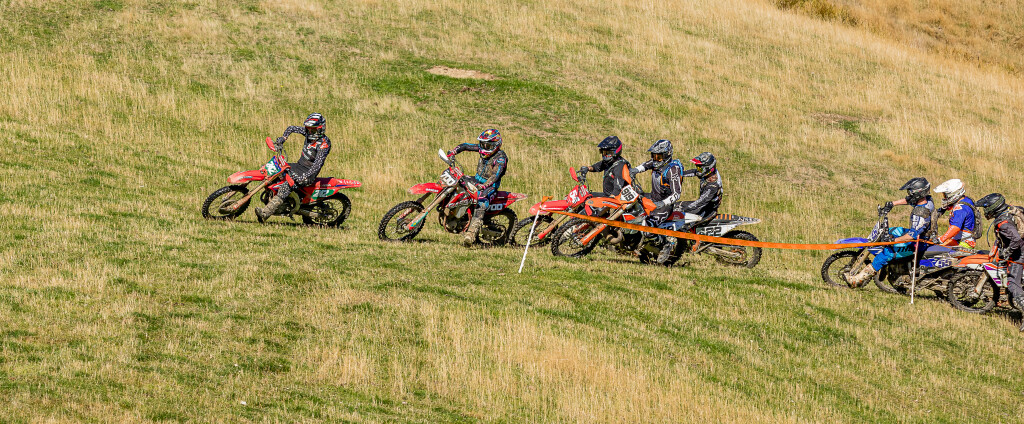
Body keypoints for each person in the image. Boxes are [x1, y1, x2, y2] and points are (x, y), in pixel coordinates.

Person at [844, 177, 935, 286]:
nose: (909, 195)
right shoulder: (927, 200)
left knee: (886, 253)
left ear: (918, 193)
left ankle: (857, 280)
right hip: (922, 235)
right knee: (891, 231)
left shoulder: (921, 213)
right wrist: (892, 203)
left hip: (918, 242)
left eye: (911, 193)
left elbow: (911, 236)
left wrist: (893, 240)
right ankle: (889, 266)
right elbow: (910, 200)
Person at [256, 113, 331, 220]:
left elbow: (317, 165)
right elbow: (291, 128)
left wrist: (304, 177)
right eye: (308, 129)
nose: (309, 132)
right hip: (298, 166)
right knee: (272, 170)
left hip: (308, 173)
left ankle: (265, 213)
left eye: (313, 130)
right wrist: (283, 138)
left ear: (320, 129)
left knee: (286, 187)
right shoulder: (308, 133)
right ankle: (274, 198)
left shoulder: (324, 144)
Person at [652, 152, 724, 264]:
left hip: (706, 209)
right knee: (676, 206)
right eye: (698, 167)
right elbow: (694, 172)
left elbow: (700, 202)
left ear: (708, 168)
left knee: (681, 221)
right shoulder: (708, 173)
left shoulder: (713, 185)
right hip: (704, 205)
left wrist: (686, 208)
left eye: (700, 167)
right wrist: (677, 174)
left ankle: (680, 245)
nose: (698, 169)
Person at [447, 129, 508, 246]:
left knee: (481, 202)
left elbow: (495, 176)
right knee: (458, 182)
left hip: (490, 186)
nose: (484, 147)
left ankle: (470, 234)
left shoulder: (501, 158)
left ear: (496, 145)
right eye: (482, 144)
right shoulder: (482, 148)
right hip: (476, 179)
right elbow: (466, 146)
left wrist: (484, 186)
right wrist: (453, 152)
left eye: (487, 145)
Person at [629, 139, 683, 263]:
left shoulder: (672, 170)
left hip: (664, 205)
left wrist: (663, 203)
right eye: (653, 156)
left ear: (667, 155)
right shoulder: (655, 162)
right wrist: (634, 170)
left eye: (658, 156)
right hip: (652, 199)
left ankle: (665, 245)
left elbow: (677, 193)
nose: (655, 159)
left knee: (648, 229)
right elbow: (645, 165)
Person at [977, 193, 1024, 330]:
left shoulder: (1003, 223)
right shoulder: (1012, 209)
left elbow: (1016, 240)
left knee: (1012, 283)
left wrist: (1007, 252)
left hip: (1019, 254)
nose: (985, 211)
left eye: (986, 208)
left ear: (993, 208)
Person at [933, 179, 976, 248]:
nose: (944, 197)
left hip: (963, 243)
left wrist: (941, 239)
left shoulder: (960, 209)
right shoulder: (966, 200)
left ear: (953, 194)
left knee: (933, 250)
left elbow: (955, 228)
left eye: (945, 195)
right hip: (961, 239)